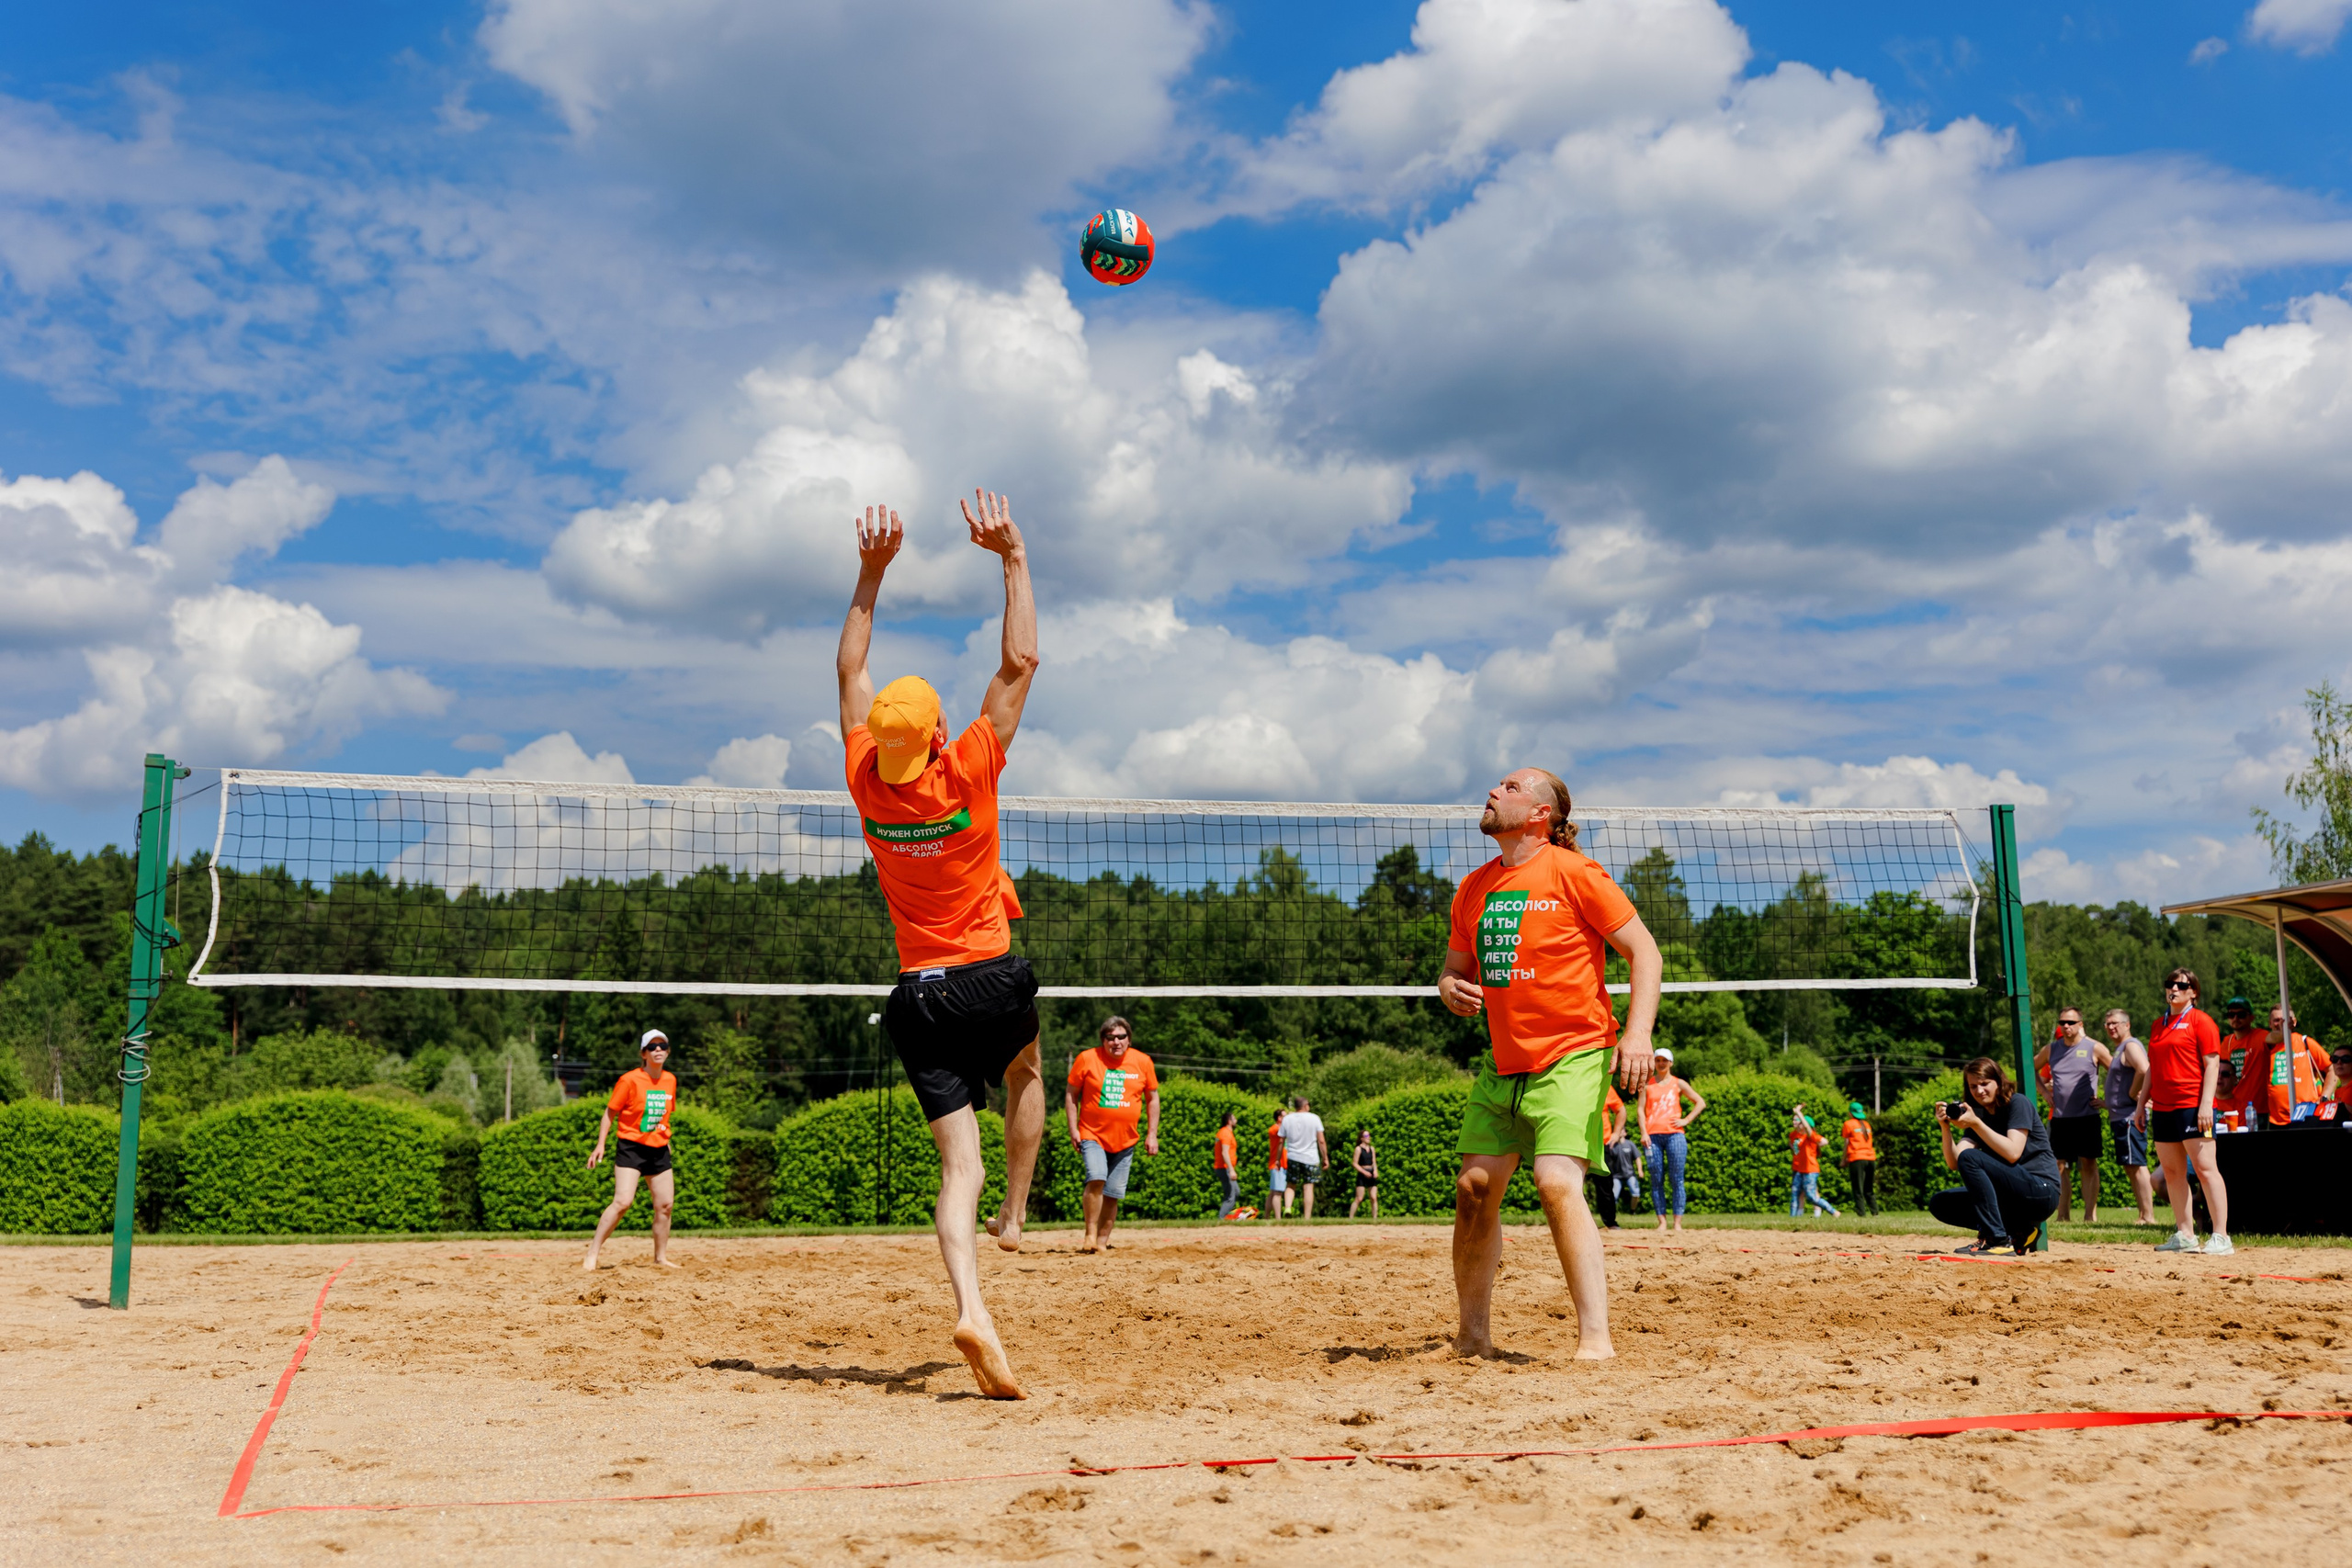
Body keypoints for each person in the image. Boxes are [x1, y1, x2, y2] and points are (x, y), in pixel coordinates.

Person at [837, 491, 1044, 1398]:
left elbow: (848, 672)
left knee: (953, 1162)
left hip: (913, 996)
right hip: (987, 975)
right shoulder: (962, 767)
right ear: (929, 736)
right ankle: (1017, 1210)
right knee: (1028, 1072)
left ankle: (971, 1302)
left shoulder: (863, 781)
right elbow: (1021, 659)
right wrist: (1012, 556)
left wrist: (871, 573)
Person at [1439, 766, 1662, 1360]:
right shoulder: (1474, 887)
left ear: (1542, 814)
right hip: (1504, 1061)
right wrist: (1449, 986)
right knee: (1474, 1188)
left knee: (1556, 1182)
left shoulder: (1574, 873)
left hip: (1575, 1052)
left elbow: (1645, 951)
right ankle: (1473, 1337)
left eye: (1511, 787)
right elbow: (1453, 969)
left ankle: (1596, 1340)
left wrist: (1636, 1033)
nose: (1494, 791)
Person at [2137, 966, 2231, 1256]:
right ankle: (2185, 1233)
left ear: (2193, 992)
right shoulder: (2158, 1024)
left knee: (2205, 1169)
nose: (2173, 989)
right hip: (2164, 1108)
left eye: (2181, 985)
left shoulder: (2201, 1021)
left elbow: (2213, 1064)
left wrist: (2206, 1104)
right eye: (2170, 984)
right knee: (2172, 1172)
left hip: (2193, 1105)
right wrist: (2142, 1103)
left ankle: (2221, 1236)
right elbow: (2153, 1066)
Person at [1928, 1056, 2062, 1256]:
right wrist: (1945, 1128)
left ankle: (1997, 1240)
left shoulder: (2017, 1103)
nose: (1979, 1091)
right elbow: (1955, 1162)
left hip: (2041, 1192)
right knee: (1940, 1203)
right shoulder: (1979, 1115)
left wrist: (1976, 1124)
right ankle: (2020, 1231)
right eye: (1973, 1086)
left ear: (1998, 1082)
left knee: (1971, 1158)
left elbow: (2012, 1152)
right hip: (2011, 1196)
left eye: (1984, 1084)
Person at [583, 1030, 682, 1272]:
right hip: (631, 1147)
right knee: (623, 1201)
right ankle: (592, 1253)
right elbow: (610, 1113)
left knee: (665, 1205)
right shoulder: (629, 1080)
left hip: (659, 1149)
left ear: (668, 1051)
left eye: (663, 1046)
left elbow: (664, 1114)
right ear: (643, 1053)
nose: (658, 1050)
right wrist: (600, 1144)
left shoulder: (670, 1080)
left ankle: (660, 1257)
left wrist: (664, 1136)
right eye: (652, 1047)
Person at [1064, 1016, 1159, 1253]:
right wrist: (1073, 1128)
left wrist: (1152, 1134)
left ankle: (1102, 1242)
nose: (1116, 1042)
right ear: (1103, 1040)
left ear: (1129, 1039)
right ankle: (1090, 1234)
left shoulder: (1143, 1061)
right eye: (1110, 1037)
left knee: (1113, 1193)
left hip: (1126, 1139)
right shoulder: (1087, 1058)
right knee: (1096, 1177)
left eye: (1121, 1037)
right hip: (1091, 1133)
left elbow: (1153, 1099)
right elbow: (1071, 1095)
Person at [2034, 1006, 2109, 1221]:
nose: (2066, 1026)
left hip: (2087, 1117)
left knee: (2088, 1163)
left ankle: (2089, 1215)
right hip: (2060, 1118)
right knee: (2059, 1166)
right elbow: (2031, 1067)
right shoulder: (2052, 1049)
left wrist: (2107, 1101)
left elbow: (2117, 1071)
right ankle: (2062, 1215)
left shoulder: (2094, 1047)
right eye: (2062, 1023)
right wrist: (2044, 1093)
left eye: (2070, 1022)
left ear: (2080, 1024)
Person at [1639, 1049, 1705, 1232]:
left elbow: (1700, 1102)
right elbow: (1640, 1111)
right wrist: (1643, 1132)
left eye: (1664, 1060)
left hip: (1675, 1135)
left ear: (1671, 1063)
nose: (1661, 1063)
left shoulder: (1679, 1084)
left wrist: (1686, 1120)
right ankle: (1662, 1222)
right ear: (1654, 1062)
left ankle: (1677, 1223)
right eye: (1658, 1060)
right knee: (1656, 1179)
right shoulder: (1647, 1085)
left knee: (1677, 1179)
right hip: (1652, 1137)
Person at [2231, 1006, 2329, 1127]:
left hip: (2306, 1116)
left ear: (2294, 1022)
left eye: (2285, 1020)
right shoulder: (2266, 1047)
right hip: (2275, 1120)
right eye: (2277, 1020)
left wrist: (2324, 1097)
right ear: (2270, 1024)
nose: (2281, 1024)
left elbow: (2331, 1069)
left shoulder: (2305, 1042)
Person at [2102, 1010, 2156, 1224]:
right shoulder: (2119, 1049)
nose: (2110, 1027)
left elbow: (2144, 1069)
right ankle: (2143, 1214)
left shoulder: (2131, 1045)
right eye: (2107, 1024)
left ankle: (2149, 1216)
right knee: (2130, 1165)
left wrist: (2133, 1094)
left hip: (2130, 1116)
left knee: (2137, 1164)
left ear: (2127, 1024)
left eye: (2115, 1023)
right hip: (2121, 1116)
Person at [1282, 1096, 1329, 1220]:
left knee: (1291, 1185)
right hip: (1310, 1158)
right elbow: (1321, 1141)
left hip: (1292, 1156)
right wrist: (1325, 1158)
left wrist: (1277, 1159)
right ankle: (1307, 1217)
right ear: (1305, 1105)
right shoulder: (1314, 1118)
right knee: (1308, 1187)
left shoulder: (1287, 1119)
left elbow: (1281, 1141)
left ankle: (1287, 1207)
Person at [1788, 1105, 1838, 1217]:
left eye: (1800, 1122)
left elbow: (1823, 1140)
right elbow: (1793, 1145)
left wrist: (1798, 1112)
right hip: (1799, 1169)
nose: (1797, 1123)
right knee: (1795, 1194)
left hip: (1810, 1169)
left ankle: (1832, 1211)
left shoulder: (1810, 1136)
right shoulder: (1794, 1135)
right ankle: (1793, 1218)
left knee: (1811, 1195)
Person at [1839, 1101, 1878, 1216]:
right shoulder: (1866, 1124)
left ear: (1850, 1113)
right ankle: (1875, 1213)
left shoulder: (1848, 1124)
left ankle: (1861, 1213)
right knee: (1869, 1188)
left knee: (1858, 1188)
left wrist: (1843, 1159)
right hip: (1871, 1158)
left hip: (1857, 1158)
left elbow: (1847, 1143)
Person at [2222, 997, 2266, 1083]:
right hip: (2232, 1095)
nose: (2235, 1018)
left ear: (2251, 1017)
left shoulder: (2261, 1036)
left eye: (2241, 1015)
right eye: (2231, 1015)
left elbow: (2276, 1038)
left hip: (2254, 1096)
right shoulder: (2226, 1042)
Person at [1212, 1110, 1240, 1220]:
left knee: (1236, 1192)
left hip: (1224, 1168)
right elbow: (1224, 1152)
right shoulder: (1225, 1133)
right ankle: (1221, 1219)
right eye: (1234, 1118)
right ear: (1229, 1121)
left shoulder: (1225, 1132)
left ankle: (1225, 1217)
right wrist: (1231, 1170)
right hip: (1224, 1168)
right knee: (1230, 1196)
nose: (1236, 1120)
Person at [1347, 1127, 1379, 1219]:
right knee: (1359, 1198)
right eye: (1366, 1135)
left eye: (1369, 1135)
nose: (1368, 1137)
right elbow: (1354, 1163)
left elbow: (1374, 1162)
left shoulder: (1372, 1149)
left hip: (1371, 1173)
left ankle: (1375, 1218)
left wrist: (1375, 1171)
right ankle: (1351, 1218)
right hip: (1362, 1174)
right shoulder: (1358, 1149)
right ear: (1361, 1138)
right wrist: (1364, 1172)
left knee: (1373, 1197)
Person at [1266, 1111, 1289, 1218]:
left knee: (1273, 1192)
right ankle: (1278, 1219)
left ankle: (1266, 1217)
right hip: (1277, 1164)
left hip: (1282, 1164)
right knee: (1277, 1193)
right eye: (1285, 1116)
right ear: (1279, 1118)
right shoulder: (1274, 1129)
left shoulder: (1279, 1128)